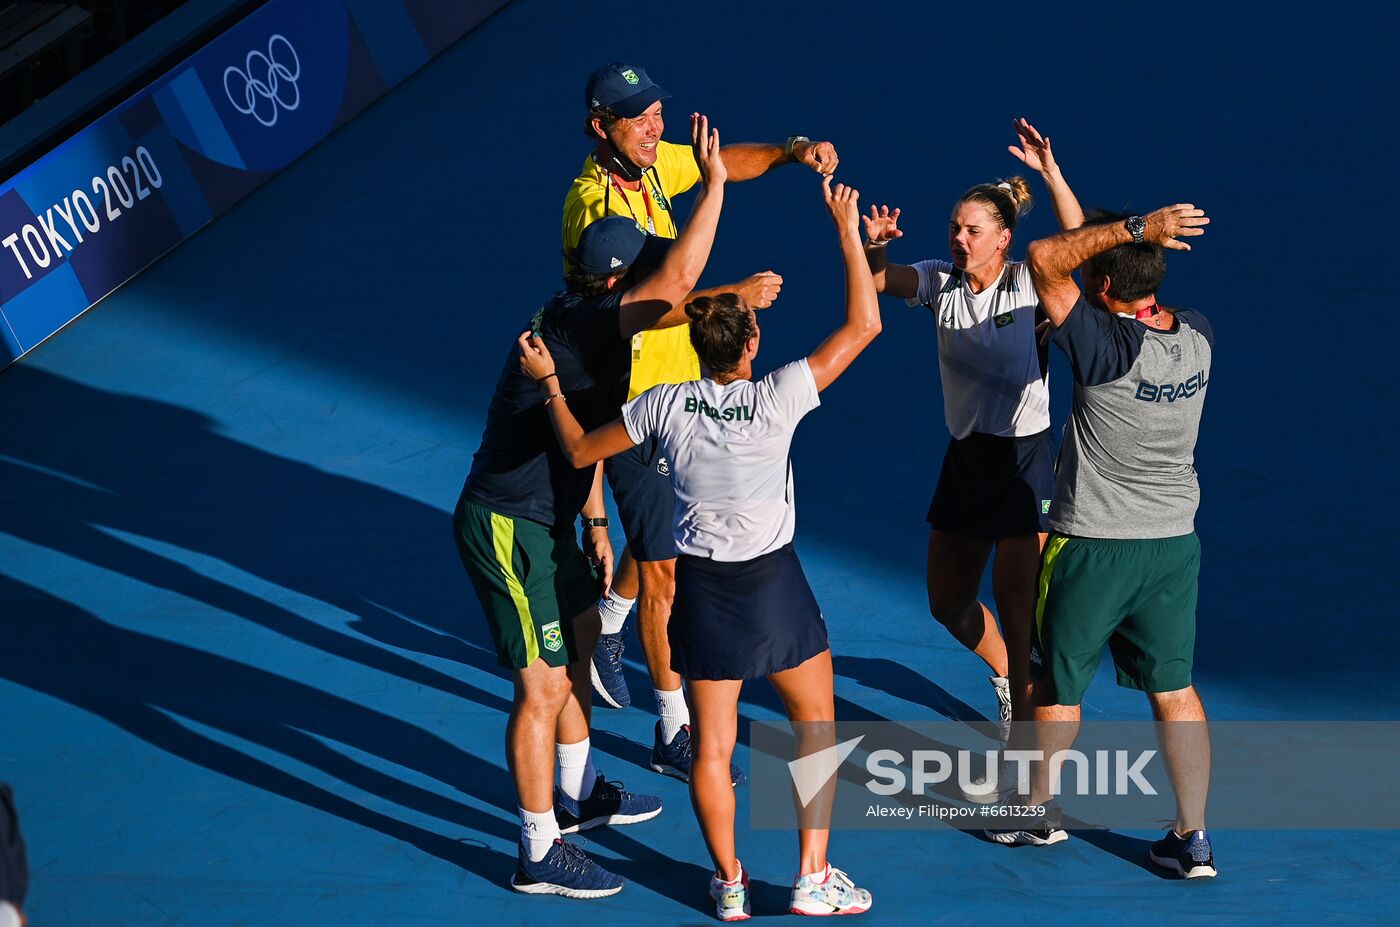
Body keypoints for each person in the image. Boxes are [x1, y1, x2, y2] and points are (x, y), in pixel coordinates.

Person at [522, 174, 879, 920]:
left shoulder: (664, 403)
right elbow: (863, 328)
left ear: (696, 343)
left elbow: (584, 446)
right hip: (776, 588)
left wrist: (551, 384)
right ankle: (813, 874)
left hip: (705, 595)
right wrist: (847, 230)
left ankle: (729, 883)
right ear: (752, 343)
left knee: (711, 749)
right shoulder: (780, 394)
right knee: (815, 727)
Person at [452, 114, 729, 899]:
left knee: (578, 643)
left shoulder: (585, 318)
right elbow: (676, 286)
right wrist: (713, 186)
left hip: (554, 516)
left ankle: (576, 799)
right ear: (611, 285)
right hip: (507, 524)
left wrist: (596, 520)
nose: (649, 278)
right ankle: (537, 850)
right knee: (539, 686)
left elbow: (589, 442)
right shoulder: (584, 333)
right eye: (635, 272)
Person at [566, 62, 838, 783]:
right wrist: (734, 294)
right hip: (636, 405)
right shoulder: (597, 210)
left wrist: (789, 150)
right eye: (638, 118)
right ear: (602, 128)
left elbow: (723, 163)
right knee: (666, 570)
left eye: (657, 113)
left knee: (671, 535)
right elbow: (655, 298)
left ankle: (610, 621)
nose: (655, 127)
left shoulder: (650, 165)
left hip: (683, 391)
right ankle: (672, 725)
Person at [984, 203, 1216, 881]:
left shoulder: (1100, 349)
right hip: (1173, 545)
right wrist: (1071, 191)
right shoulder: (1198, 333)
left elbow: (1047, 261)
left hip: (1092, 547)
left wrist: (1134, 227)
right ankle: (1192, 836)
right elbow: (1087, 265)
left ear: (1103, 288)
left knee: (1055, 682)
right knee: (1175, 689)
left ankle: (1033, 810)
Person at [861, 119, 1083, 750]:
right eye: (955, 228)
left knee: (1019, 611)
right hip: (966, 461)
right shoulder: (942, 281)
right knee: (949, 604)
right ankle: (1009, 678)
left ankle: (1028, 752)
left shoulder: (1033, 283)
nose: (959, 238)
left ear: (1004, 239)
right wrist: (874, 247)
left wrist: (1052, 174)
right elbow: (881, 281)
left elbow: (1076, 243)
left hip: (1026, 462)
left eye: (973, 230)